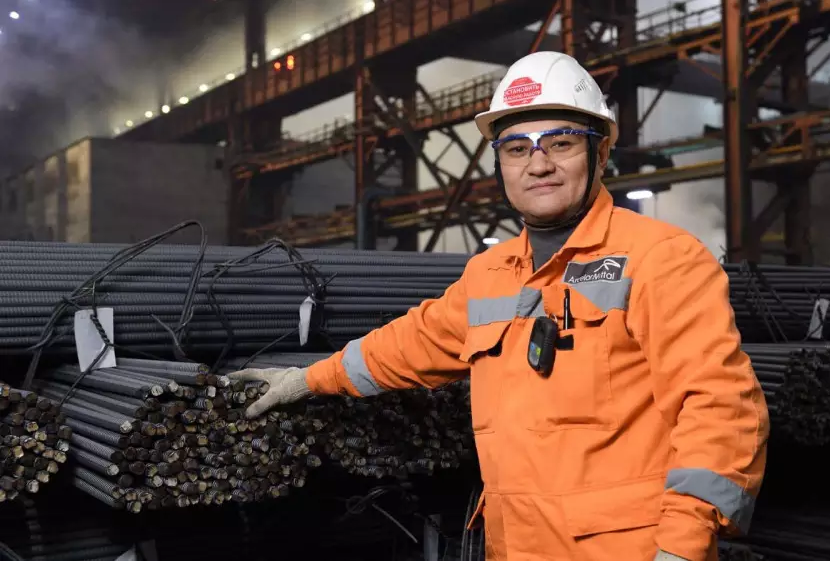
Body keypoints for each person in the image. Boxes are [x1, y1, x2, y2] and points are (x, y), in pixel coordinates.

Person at [227, 51, 769, 561]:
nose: (538, 164)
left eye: (560, 143)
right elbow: (412, 343)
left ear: (600, 153)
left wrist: (682, 545)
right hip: (514, 544)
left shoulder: (660, 258)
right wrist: (309, 379)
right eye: (517, 149)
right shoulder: (490, 273)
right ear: (501, 165)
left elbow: (722, 408)